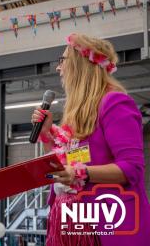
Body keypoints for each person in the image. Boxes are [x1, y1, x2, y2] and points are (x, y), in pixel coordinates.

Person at [31, 33, 150, 245]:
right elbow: (75, 158)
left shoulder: (115, 103)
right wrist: (49, 135)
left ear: (80, 64)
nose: (59, 68)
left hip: (107, 222)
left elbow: (132, 168)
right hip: (72, 221)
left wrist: (82, 173)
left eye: (62, 61)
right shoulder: (79, 111)